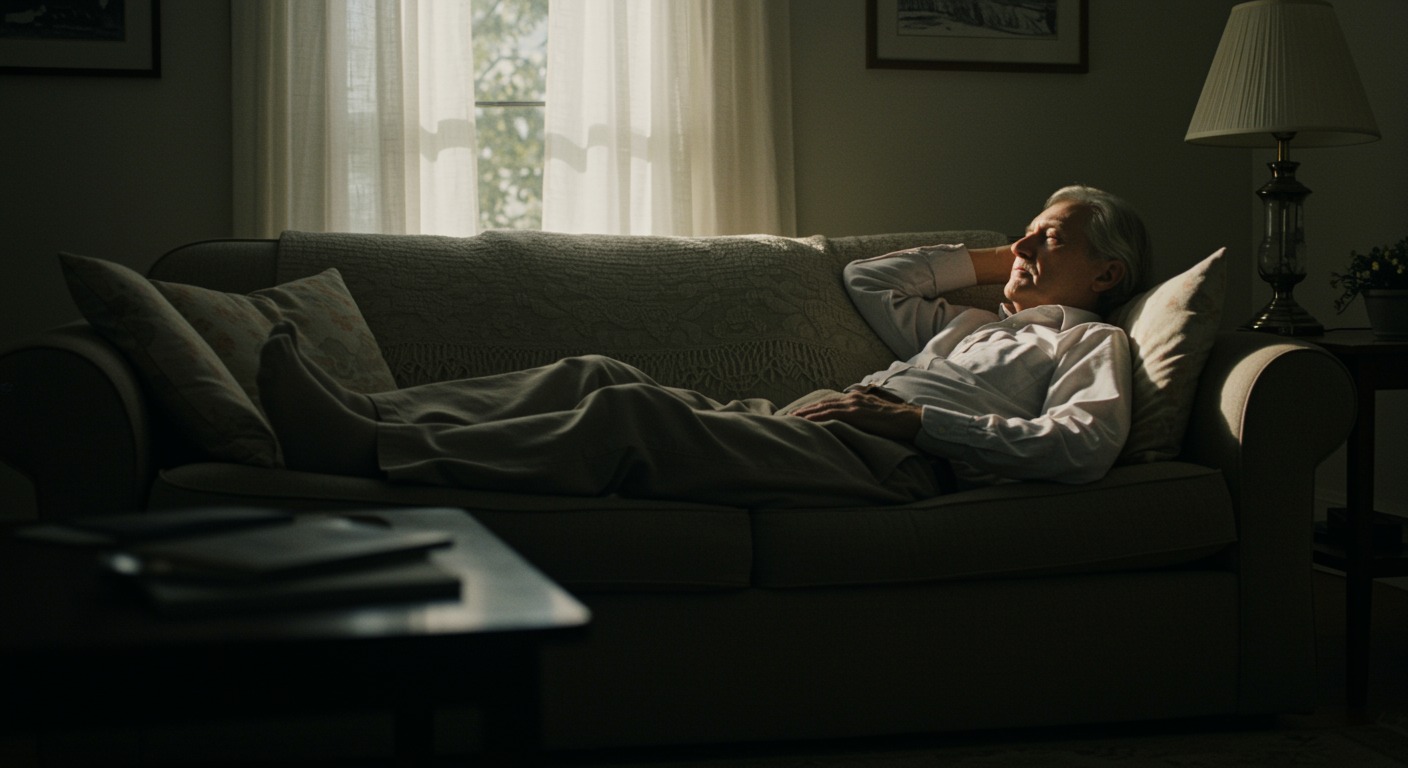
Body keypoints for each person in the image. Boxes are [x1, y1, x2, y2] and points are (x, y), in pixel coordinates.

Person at [257, 185, 1151, 507]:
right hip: (808, 425)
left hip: (892, 461)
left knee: (629, 417)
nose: (1025, 245)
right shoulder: (968, 325)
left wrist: (918, 425)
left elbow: (1082, 446)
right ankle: (367, 412)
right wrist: (1005, 256)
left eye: (1049, 237)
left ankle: (367, 452)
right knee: (595, 371)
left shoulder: (1090, 342)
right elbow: (870, 279)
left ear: (1108, 273)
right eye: (1026, 232)